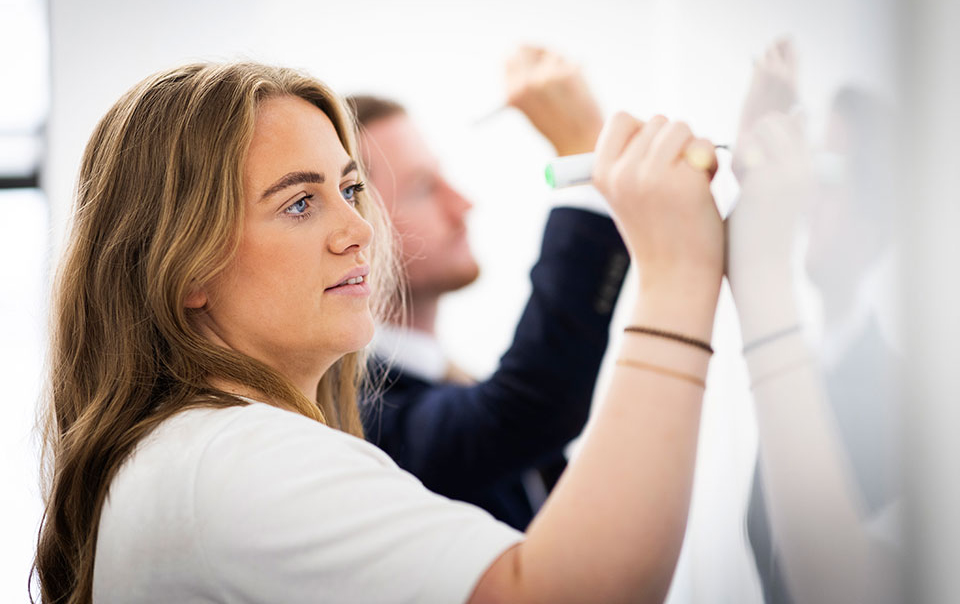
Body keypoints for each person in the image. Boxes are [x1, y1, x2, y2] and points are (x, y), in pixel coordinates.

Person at [33, 60, 723, 604]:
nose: (360, 229)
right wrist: (678, 274)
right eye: (300, 203)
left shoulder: (190, 451)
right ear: (182, 267)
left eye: (353, 190)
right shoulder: (235, 455)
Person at [347, 46, 629, 530]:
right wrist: (583, 162)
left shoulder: (451, 382)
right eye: (421, 188)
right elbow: (529, 407)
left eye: (443, 177)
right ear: (350, 231)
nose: (463, 203)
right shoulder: (358, 419)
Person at [727, 40, 900, 603]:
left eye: (826, 172)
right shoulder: (810, 369)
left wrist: (761, 266)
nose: (805, 197)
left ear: (879, 212)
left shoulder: (912, 403)